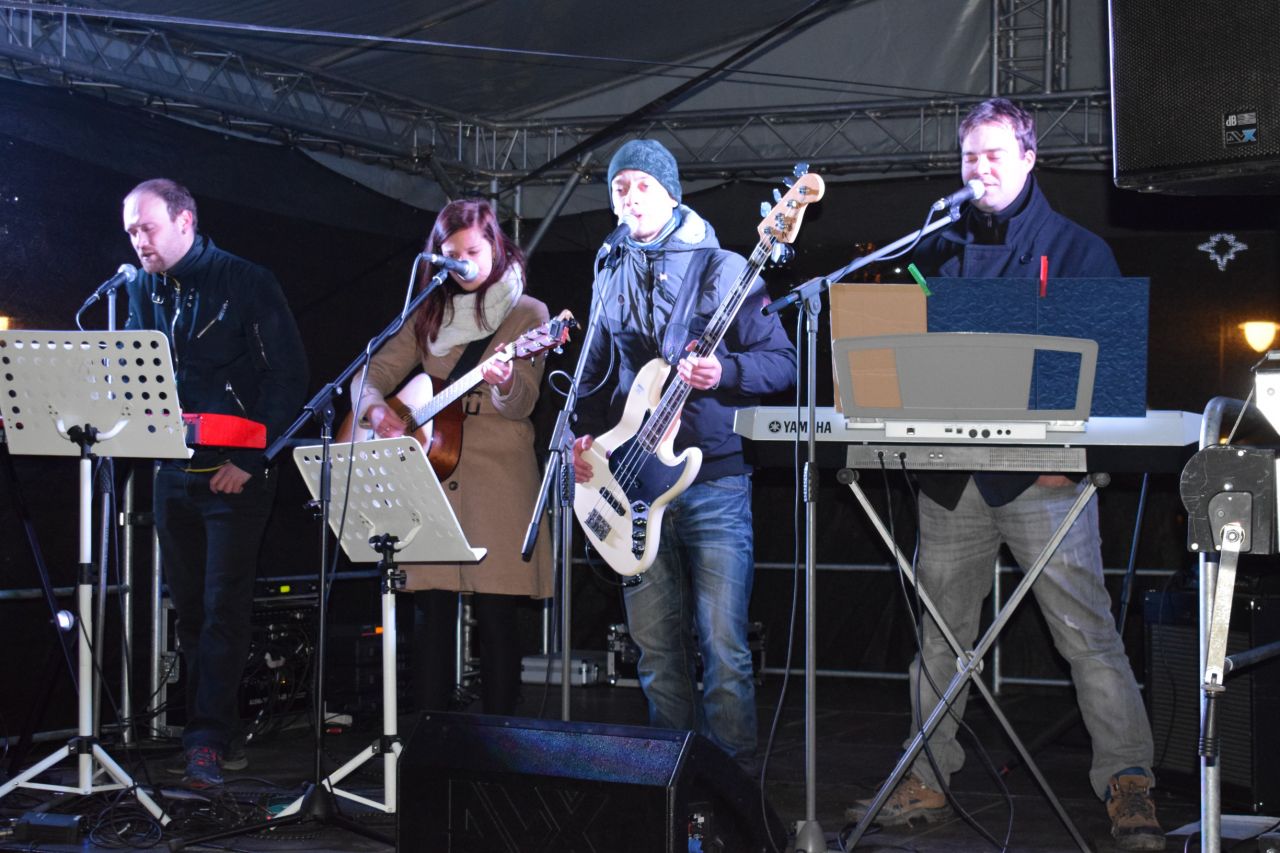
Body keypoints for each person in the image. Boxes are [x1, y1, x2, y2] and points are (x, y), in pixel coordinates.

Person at [845, 99, 1165, 851]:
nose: (980, 169)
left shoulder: (1077, 248)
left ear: (1028, 157)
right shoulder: (934, 248)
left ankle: (1129, 780)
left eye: (993, 155)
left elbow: (1110, 372)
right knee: (940, 639)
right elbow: (899, 359)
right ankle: (926, 775)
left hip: (1043, 478)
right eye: (970, 157)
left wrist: (1069, 457)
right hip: (951, 479)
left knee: (1087, 635)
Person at [571, 139, 796, 773]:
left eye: (643, 185)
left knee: (723, 645)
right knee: (653, 649)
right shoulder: (610, 267)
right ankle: (669, 780)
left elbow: (782, 362)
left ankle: (732, 787)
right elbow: (593, 375)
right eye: (620, 187)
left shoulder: (723, 268)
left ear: (672, 194)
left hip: (712, 479)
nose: (630, 196)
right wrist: (580, 440)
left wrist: (724, 371)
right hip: (631, 480)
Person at [122, 179, 308, 788]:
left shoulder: (246, 280)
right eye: (131, 231)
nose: (138, 240)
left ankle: (207, 740)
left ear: (185, 221)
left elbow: (288, 377)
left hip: (235, 470)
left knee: (224, 608)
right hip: (172, 470)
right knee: (191, 612)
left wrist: (253, 461)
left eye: (147, 227)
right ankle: (204, 735)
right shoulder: (142, 287)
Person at [350, 198, 552, 717]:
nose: (464, 263)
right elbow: (370, 374)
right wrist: (375, 410)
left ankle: (500, 735)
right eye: (453, 254)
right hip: (433, 472)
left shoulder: (528, 314)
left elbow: (525, 401)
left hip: (499, 476)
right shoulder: (429, 309)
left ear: (497, 246)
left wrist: (504, 383)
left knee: (497, 613)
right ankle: (428, 734)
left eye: (474, 252)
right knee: (430, 611)